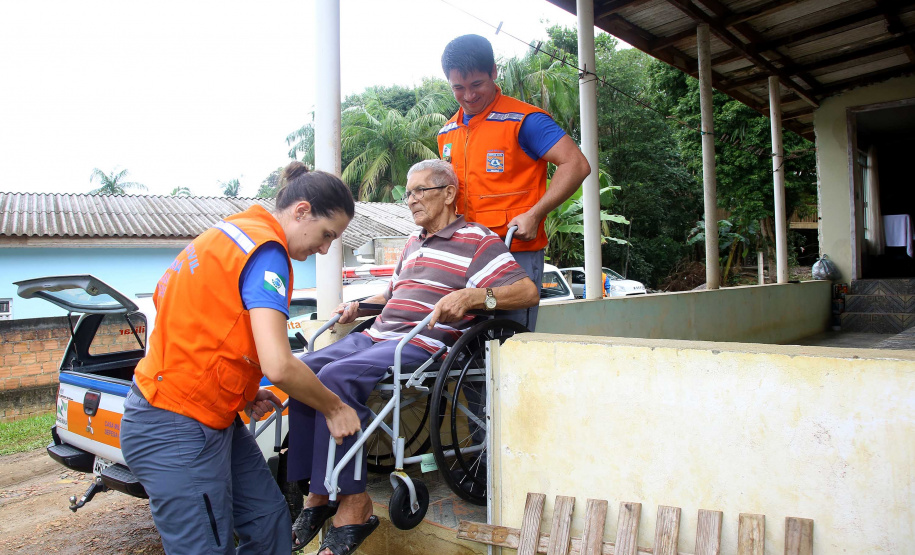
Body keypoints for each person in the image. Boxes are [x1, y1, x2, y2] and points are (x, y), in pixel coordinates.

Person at [288, 159, 539, 554]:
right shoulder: (413, 242)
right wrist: (359, 305)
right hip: (376, 333)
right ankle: (318, 494)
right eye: (408, 193)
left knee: (336, 377)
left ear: (449, 193)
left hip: (421, 342)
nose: (411, 201)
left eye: (420, 191)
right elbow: (394, 294)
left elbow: (527, 292)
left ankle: (353, 503)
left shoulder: (478, 240)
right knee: (299, 370)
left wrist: (474, 295)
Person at [120, 162, 363, 555]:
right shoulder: (267, 251)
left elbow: (199, 323)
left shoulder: (225, 237)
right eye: (326, 235)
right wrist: (333, 408)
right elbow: (279, 365)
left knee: (268, 520)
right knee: (206, 548)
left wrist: (241, 390)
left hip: (208, 418)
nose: (323, 249)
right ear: (301, 211)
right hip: (176, 424)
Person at [438, 34, 591, 330]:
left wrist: (535, 214)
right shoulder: (447, 132)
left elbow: (576, 164)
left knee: (508, 336)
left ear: (494, 73)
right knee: (468, 344)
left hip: (513, 254)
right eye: (458, 87)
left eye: (477, 84)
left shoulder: (525, 120)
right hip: (465, 256)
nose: (468, 96)